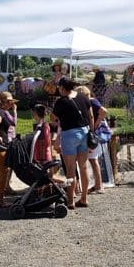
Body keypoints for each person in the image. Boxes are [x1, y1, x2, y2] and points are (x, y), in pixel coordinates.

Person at [51, 78, 93, 209]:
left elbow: (52, 119)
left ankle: (70, 201)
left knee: (70, 170)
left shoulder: (61, 102)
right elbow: (91, 116)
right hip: (85, 133)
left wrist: (61, 123)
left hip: (69, 134)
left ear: (63, 87)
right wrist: (91, 132)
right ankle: (84, 198)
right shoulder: (83, 97)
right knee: (84, 167)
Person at [76, 85, 107, 194]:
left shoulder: (92, 101)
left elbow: (103, 111)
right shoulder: (88, 102)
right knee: (92, 160)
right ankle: (97, 185)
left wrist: (96, 124)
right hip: (90, 133)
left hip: (92, 134)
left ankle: (98, 186)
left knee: (93, 160)